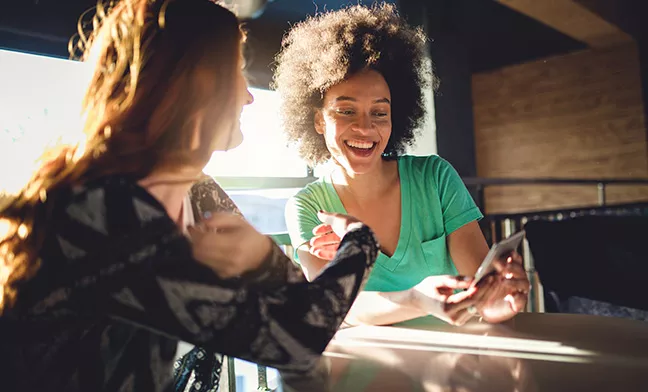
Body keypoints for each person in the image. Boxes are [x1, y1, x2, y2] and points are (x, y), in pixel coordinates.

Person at [0, 1, 379, 391]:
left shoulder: (197, 191)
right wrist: (361, 239)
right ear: (200, 83)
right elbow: (300, 339)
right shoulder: (104, 212)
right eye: (238, 72)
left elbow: (299, 320)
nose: (248, 97)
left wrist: (263, 258)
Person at [273, 3, 529, 327]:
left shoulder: (435, 179)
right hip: (362, 371)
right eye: (346, 111)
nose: (365, 128)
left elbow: (480, 295)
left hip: (453, 367)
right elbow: (335, 306)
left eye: (379, 112)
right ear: (318, 121)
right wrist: (416, 298)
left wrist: (501, 300)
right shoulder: (307, 206)